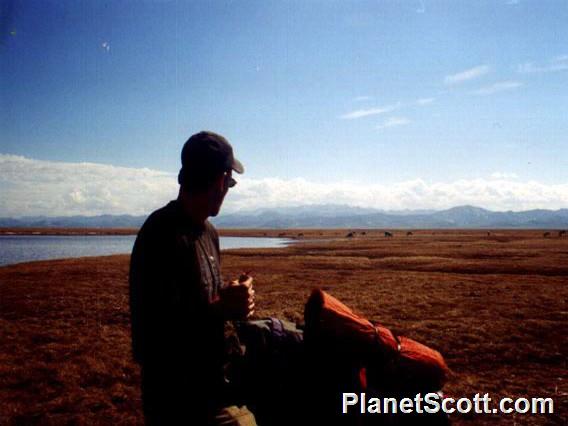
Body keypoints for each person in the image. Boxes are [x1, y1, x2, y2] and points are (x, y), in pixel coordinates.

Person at [129, 131, 257, 425]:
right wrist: (220, 308)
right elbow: (153, 336)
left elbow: (199, 302)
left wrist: (234, 300)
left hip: (213, 386)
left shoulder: (208, 233)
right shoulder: (160, 234)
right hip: (178, 401)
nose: (228, 189)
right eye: (231, 182)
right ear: (221, 180)